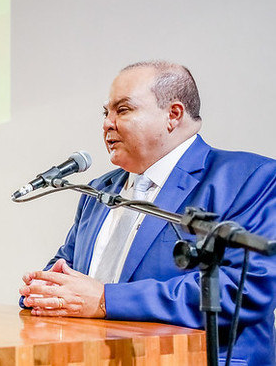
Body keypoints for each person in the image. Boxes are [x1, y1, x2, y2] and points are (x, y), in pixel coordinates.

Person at [18, 61, 276, 365]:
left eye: (123, 110)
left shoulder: (249, 178)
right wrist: (44, 292)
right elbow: (66, 268)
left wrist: (104, 300)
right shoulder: (99, 190)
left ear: (173, 115)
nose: (107, 124)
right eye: (106, 113)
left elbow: (246, 289)